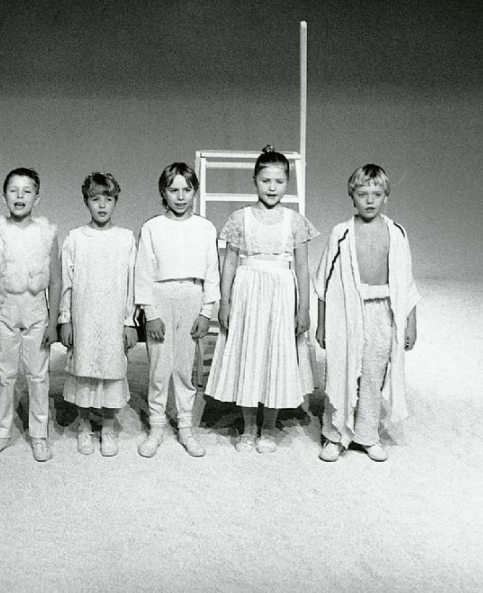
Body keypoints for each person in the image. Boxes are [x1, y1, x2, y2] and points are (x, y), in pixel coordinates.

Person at [204, 146, 318, 453]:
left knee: (275, 355)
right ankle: (249, 425)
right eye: (265, 180)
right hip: (248, 293)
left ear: (287, 183)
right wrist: (225, 302)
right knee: (250, 354)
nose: (272, 187)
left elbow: (303, 268)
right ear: (254, 180)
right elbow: (229, 263)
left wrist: (304, 308)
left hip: (281, 295)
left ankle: (268, 426)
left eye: (279, 181)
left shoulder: (294, 221)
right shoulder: (240, 218)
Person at [313, 164, 419, 462]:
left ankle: (367, 434)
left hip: (383, 310)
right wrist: (322, 324)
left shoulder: (396, 233)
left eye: (377, 194)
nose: (370, 200)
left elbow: (407, 282)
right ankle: (335, 434)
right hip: (347, 310)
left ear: (386, 196)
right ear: (352, 196)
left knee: (373, 372)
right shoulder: (341, 233)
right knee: (341, 369)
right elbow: (324, 282)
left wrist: (411, 323)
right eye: (362, 194)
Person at [135, 162, 220, 458]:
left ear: (195, 191)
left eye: (187, 190)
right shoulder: (152, 228)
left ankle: (185, 426)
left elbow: (211, 272)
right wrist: (150, 313)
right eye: (174, 190)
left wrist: (206, 312)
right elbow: (143, 272)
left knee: (185, 367)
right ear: (163, 192)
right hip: (160, 296)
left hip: (192, 296)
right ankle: (156, 426)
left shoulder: (205, 228)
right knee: (159, 368)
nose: (180, 197)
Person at [0, 167, 61, 462]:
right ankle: (1, 433)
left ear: (37, 198)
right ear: (4, 196)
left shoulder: (46, 234)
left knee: (38, 376)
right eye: (13, 190)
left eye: (27, 191)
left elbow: (55, 281)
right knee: (4, 375)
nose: (20, 196)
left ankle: (39, 435)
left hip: (37, 312)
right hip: (5, 312)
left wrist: (53, 322)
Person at [59, 172, 137, 457]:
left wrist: (130, 321)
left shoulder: (126, 238)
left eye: (108, 199)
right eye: (95, 199)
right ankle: (83, 425)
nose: (102, 205)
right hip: (84, 315)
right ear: (86, 201)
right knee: (84, 368)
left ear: (116, 201)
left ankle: (107, 426)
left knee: (112, 369)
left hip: (114, 315)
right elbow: (67, 282)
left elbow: (132, 283)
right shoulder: (75, 238)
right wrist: (65, 319)